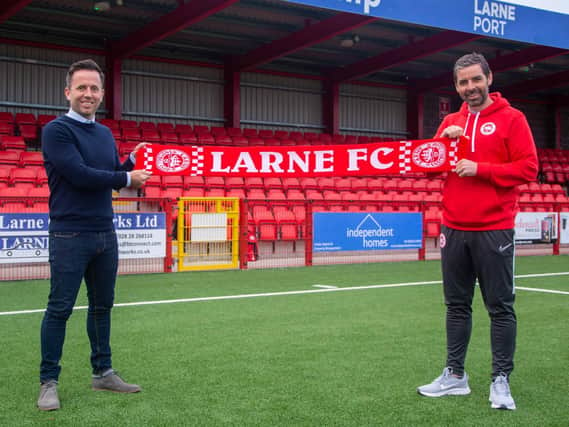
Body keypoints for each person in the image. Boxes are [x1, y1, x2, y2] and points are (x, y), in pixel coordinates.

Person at [417, 53, 538, 410]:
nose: (470, 88)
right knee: (456, 306)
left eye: (475, 80)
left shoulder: (512, 119)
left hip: (494, 228)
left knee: (500, 307)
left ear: (489, 78)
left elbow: (529, 167)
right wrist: (443, 142)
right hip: (453, 226)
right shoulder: (451, 120)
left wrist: (481, 169)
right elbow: (428, 169)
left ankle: (500, 381)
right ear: (456, 86)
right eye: (462, 82)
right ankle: (455, 376)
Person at [37, 59, 152, 411]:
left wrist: (128, 164)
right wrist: (125, 179)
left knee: (103, 307)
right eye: (82, 87)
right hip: (69, 234)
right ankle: (48, 382)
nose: (88, 94)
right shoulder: (56, 131)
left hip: (105, 232)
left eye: (94, 88)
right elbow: (80, 175)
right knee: (60, 309)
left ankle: (103, 372)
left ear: (102, 94)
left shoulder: (103, 133)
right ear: (68, 92)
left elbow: (107, 173)